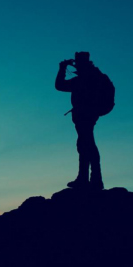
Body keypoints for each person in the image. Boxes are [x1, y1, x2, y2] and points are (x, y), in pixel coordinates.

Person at [55, 51, 107, 190]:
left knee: (86, 144)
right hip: (89, 114)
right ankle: (87, 178)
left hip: (85, 114)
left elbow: (59, 85)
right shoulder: (95, 76)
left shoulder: (84, 79)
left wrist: (62, 68)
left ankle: (92, 180)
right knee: (84, 144)